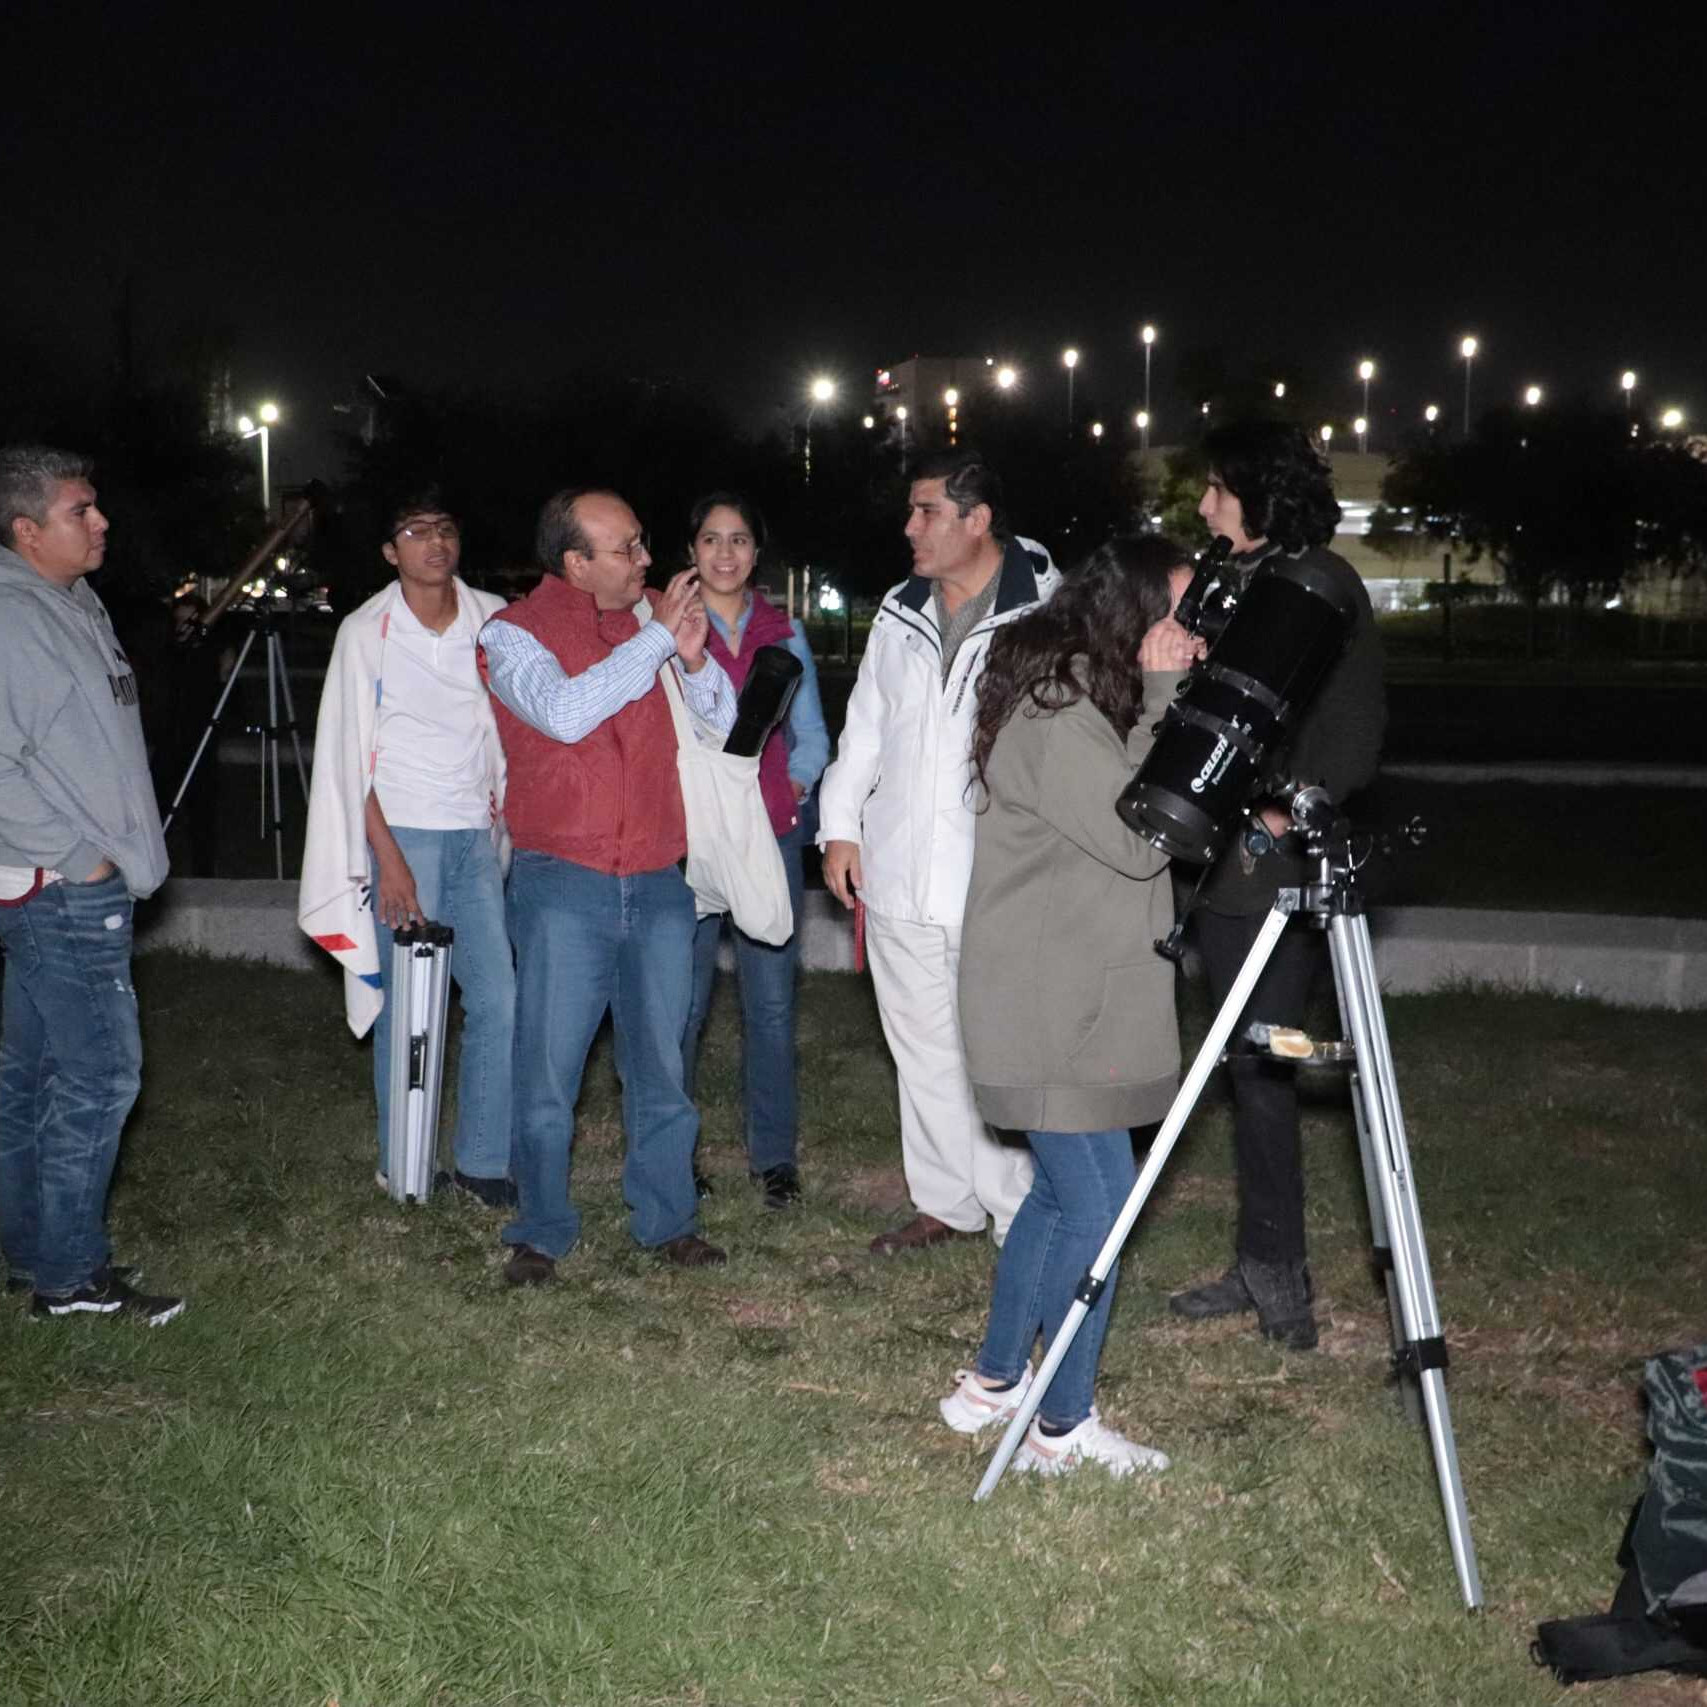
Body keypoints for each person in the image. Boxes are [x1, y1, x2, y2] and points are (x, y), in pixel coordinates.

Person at [941, 537, 1199, 1475]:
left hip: (1066, 992)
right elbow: (1140, 838)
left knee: (1054, 1197)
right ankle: (1060, 1424)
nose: (1184, 632)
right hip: (1049, 1006)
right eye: (1170, 613)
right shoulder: (1056, 713)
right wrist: (1168, 699)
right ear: (1126, 613)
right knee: (1097, 1207)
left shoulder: (1085, 696)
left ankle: (994, 1382)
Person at [479, 488, 737, 1281]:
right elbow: (563, 711)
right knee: (549, 1073)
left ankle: (668, 1220)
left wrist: (692, 661)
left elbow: (726, 723)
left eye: (641, 543)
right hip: (564, 880)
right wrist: (654, 641)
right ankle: (540, 1227)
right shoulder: (511, 633)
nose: (645, 561)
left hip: (659, 874)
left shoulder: (658, 617)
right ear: (574, 563)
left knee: (663, 1065)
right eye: (624, 549)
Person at [1166, 421, 1385, 1351]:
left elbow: (1352, 732)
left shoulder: (1319, 590)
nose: (1206, 506)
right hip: (1221, 877)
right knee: (1243, 1063)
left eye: (1219, 488)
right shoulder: (1241, 580)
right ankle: (1259, 1258)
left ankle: (1280, 1278)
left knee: (1267, 1064)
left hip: (1275, 873)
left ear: (1260, 496)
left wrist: (1282, 815)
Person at [819, 448, 1058, 1255]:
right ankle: (944, 1202)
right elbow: (867, 727)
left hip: (996, 875)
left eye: (926, 511)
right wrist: (840, 825)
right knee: (919, 1045)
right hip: (896, 870)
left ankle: (1012, 1212)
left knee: (992, 1048)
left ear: (977, 519)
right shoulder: (899, 606)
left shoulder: (1047, 612)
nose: (908, 526)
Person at [0, 445, 184, 1324]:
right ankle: (70, 1278)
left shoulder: (71, 601)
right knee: (100, 1078)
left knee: (32, 1075)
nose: (101, 520)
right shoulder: (9, 615)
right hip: (60, 890)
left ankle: (31, 1250)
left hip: (72, 884)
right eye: (81, 510)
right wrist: (83, 858)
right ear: (27, 530)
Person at [299, 491, 516, 1205]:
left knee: (498, 996)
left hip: (474, 834)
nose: (435, 542)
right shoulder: (368, 632)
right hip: (403, 835)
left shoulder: (492, 620)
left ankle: (482, 1164)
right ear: (392, 552)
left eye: (446, 527)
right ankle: (404, 1165)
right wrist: (386, 859)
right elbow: (342, 758)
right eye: (416, 531)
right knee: (405, 1007)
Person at [677, 493, 829, 1210]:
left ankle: (774, 1160)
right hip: (689, 839)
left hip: (768, 833)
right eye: (711, 539)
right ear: (691, 550)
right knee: (685, 1003)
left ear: (754, 553)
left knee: (768, 1006)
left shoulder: (783, 632)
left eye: (738, 540)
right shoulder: (666, 627)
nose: (725, 554)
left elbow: (813, 737)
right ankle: (673, 1153)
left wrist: (787, 794)